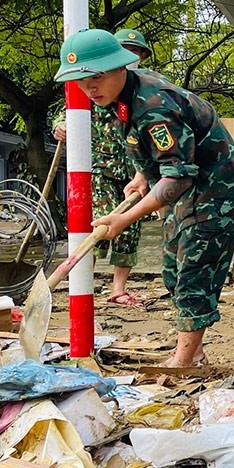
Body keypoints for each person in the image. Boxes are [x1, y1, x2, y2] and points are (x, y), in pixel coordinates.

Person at [54, 28, 234, 369]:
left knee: (194, 268)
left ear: (120, 67)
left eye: (97, 77)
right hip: (185, 182)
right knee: (172, 268)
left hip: (214, 185)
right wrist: (143, 174)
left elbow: (178, 177)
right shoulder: (121, 96)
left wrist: (123, 219)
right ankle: (195, 352)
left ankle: (185, 360)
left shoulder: (155, 107)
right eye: (81, 81)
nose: (90, 88)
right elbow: (151, 151)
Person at [52, 28, 153, 307]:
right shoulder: (92, 86)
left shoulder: (143, 90)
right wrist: (60, 126)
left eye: (135, 52)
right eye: (126, 51)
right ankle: (82, 285)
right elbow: (65, 114)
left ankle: (118, 289)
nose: (130, 57)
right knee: (96, 224)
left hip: (136, 171)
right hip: (100, 169)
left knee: (129, 230)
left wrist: (143, 173)